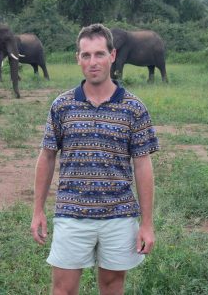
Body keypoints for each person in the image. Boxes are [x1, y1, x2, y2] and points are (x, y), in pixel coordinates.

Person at [30, 23, 159, 295]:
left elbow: (142, 165)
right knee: (63, 289)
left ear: (113, 55)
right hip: (71, 213)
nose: (93, 62)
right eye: (86, 55)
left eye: (99, 54)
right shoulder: (62, 105)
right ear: (78, 58)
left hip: (119, 215)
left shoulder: (133, 107)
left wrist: (146, 224)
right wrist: (38, 210)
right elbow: (47, 157)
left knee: (112, 286)